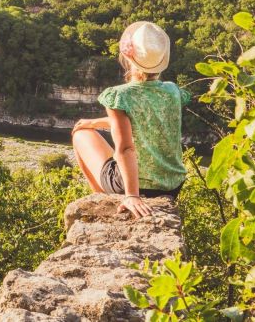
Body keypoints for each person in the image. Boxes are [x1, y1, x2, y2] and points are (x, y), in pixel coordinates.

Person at [71, 21, 189, 218]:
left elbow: (125, 148)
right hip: (173, 185)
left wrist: (132, 195)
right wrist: (94, 122)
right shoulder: (172, 90)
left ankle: (102, 197)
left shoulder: (120, 95)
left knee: (81, 135)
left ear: (127, 55)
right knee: (88, 128)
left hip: (136, 188)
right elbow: (143, 121)